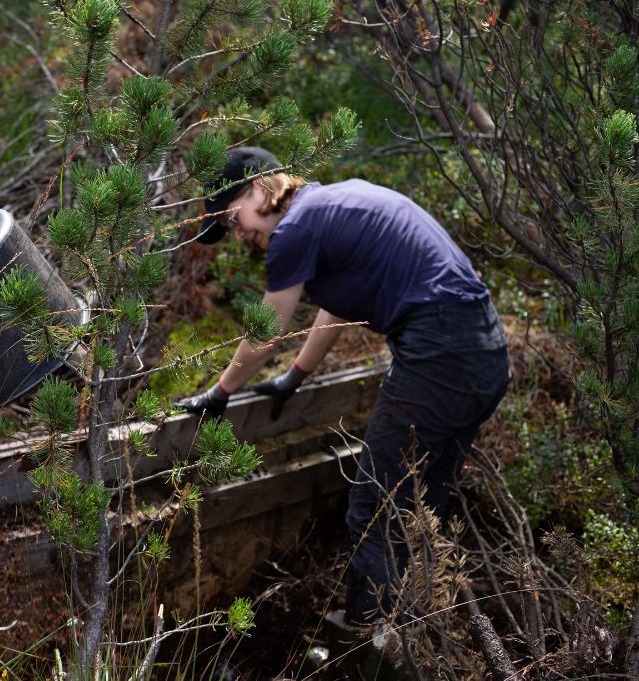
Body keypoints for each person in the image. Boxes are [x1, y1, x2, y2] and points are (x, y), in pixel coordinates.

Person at [178, 147, 509, 628]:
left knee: (375, 508)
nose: (240, 235)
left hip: (441, 353)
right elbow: (340, 304)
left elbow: (267, 329)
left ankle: (364, 639)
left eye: (233, 220)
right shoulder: (333, 205)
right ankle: (413, 625)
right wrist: (297, 375)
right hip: (483, 353)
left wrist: (221, 392)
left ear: (258, 189)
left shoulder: (297, 229)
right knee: (422, 502)